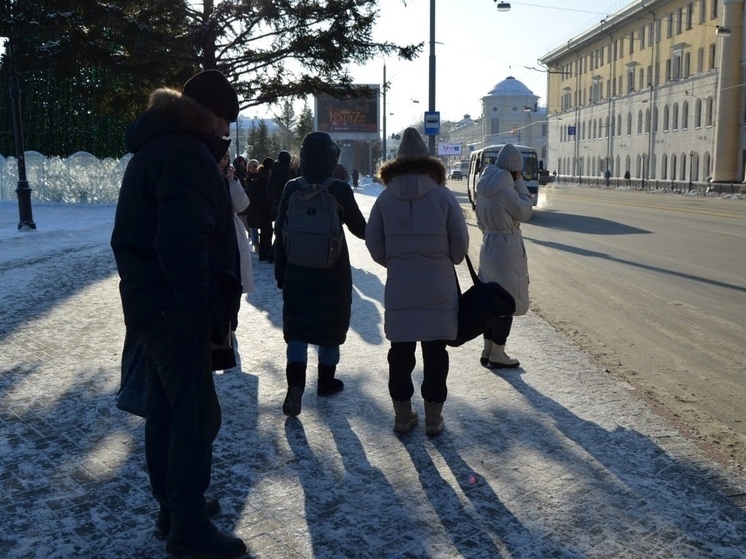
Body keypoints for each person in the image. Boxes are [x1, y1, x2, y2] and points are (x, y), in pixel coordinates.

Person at [110, 69, 247, 559]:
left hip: (154, 304)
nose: (226, 133)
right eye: (224, 122)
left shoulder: (161, 146)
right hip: (176, 309)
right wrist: (196, 310)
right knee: (194, 415)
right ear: (208, 115)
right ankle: (187, 527)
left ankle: (174, 507)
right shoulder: (184, 155)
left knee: (168, 411)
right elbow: (181, 243)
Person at [365, 127, 469, 436]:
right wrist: (444, 259)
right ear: (427, 162)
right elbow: (460, 245)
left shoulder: (384, 200)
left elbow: (374, 244)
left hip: (401, 287)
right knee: (435, 354)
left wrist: (396, 262)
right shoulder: (443, 196)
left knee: (400, 354)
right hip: (438, 288)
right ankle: (434, 419)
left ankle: (402, 415)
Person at [274, 132, 367, 417]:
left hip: (297, 271)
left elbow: (280, 231)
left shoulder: (292, 188)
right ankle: (326, 381)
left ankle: (296, 385)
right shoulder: (339, 189)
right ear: (331, 159)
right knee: (331, 326)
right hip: (332, 273)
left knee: (298, 330)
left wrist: (281, 272)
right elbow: (360, 229)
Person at [475, 143, 532, 370]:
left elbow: (479, 220)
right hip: (506, 249)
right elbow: (525, 212)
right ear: (515, 169)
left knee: (490, 302)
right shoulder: (508, 191)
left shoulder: (483, 187)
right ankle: (498, 353)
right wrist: (520, 185)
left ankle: (488, 349)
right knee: (506, 302)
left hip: (489, 245)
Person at [220, 151, 255, 335]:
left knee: (235, 281)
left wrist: (233, 182)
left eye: (226, 158)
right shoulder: (205, 175)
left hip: (232, 233)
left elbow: (242, 205)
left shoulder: (231, 179)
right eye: (221, 157)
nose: (224, 161)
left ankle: (231, 324)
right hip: (214, 235)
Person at [251, 157, 274, 261]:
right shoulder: (268, 179)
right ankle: (266, 252)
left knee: (264, 231)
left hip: (260, 209)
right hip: (266, 208)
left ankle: (263, 253)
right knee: (268, 231)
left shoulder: (258, 178)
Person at [243, 158, 260, 248]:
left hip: (259, 205)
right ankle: (255, 245)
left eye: (254, 166)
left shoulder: (260, 178)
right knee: (253, 226)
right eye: (250, 167)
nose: (252, 168)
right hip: (250, 205)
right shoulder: (246, 179)